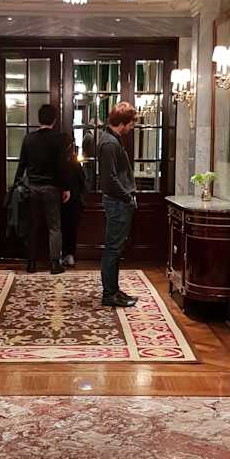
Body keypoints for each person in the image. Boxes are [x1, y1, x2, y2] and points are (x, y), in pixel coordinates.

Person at [15, 103, 70, 274]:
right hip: (51, 188)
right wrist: (66, 188)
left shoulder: (29, 139)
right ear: (54, 120)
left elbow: (22, 164)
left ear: (39, 119)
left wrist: (17, 184)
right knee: (54, 227)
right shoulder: (59, 139)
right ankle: (54, 264)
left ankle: (31, 263)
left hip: (32, 187)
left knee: (33, 226)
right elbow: (62, 167)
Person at [98, 101, 138, 307]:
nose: (132, 127)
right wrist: (127, 197)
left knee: (115, 248)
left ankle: (113, 290)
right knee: (113, 249)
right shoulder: (110, 144)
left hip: (118, 202)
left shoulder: (112, 140)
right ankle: (109, 294)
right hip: (117, 203)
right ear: (122, 123)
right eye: (131, 123)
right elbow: (109, 179)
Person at [61, 137, 86, 267]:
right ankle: (70, 255)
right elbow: (83, 179)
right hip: (74, 198)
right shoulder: (74, 161)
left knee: (61, 228)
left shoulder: (58, 161)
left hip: (60, 198)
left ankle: (61, 254)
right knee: (72, 228)